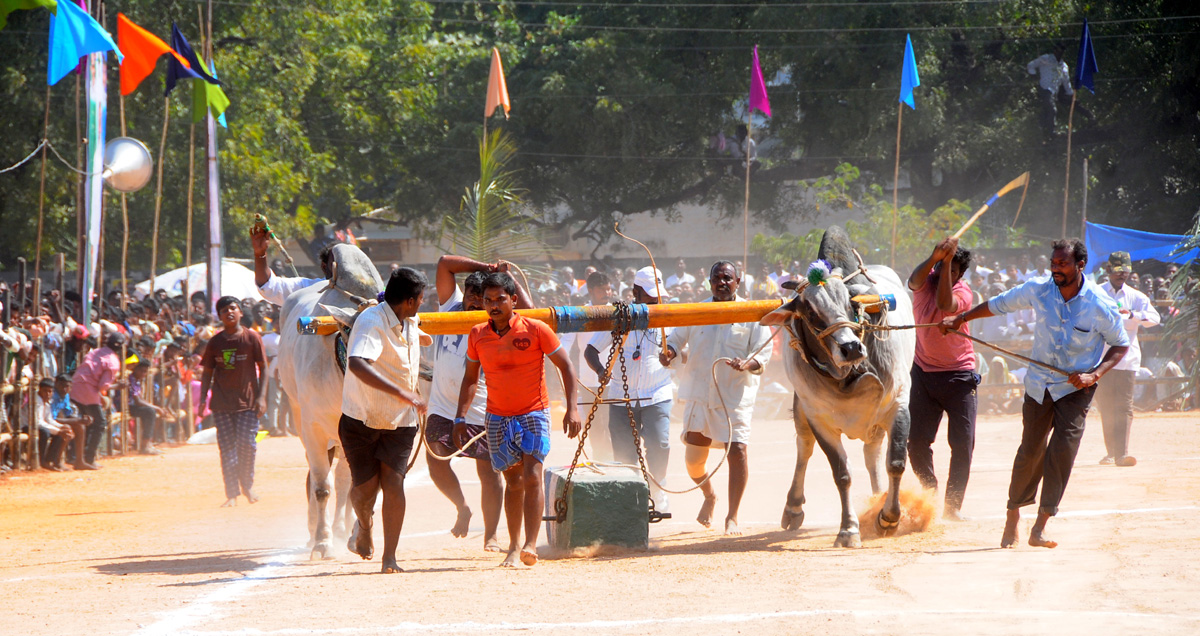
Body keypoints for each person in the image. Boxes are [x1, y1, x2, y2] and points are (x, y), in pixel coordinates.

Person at [941, 239, 1128, 548]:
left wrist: (1094, 374)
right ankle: (1013, 515)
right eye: (1053, 263)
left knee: (1062, 452)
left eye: (1063, 264)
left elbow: (1120, 344)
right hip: (1039, 385)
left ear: (1081, 265)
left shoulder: (1098, 304)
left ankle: (1040, 526)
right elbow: (999, 304)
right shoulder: (1039, 289)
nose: (1056, 269)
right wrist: (961, 319)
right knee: (1031, 452)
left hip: (1076, 388)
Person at [455, 272, 582, 567]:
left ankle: (529, 544)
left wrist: (572, 408)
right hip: (497, 416)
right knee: (512, 481)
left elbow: (566, 366)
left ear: (513, 300)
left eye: (501, 299)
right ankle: (512, 546)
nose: (494, 305)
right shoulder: (477, 335)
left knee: (532, 476)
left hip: (534, 413)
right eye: (488, 300)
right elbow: (471, 379)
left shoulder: (536, 329)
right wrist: (460, 416)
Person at [660, 261, 772, 535]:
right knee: (693, 460)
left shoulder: (750, 313)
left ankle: (732, 516)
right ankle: (710, 496)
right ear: (709, 283)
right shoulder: (697, 311)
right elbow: (675, 339)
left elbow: (763, 352)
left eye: (727, 278)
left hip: (734, 396)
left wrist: (748, 363)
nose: (721, 282)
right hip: (700, 392)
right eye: (716, 278)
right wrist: (670, 352)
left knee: (738, 451)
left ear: (737, 282)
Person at [425, 255, 529, 551]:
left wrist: (507, 277)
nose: (475, 303)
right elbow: (444, 263)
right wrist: (487, 268)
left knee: (489, 472)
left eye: (481, 299)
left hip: (483, 408)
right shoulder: (449, 309)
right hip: (443, 407)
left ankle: (491, 536)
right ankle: (462, 507)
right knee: (435, 459)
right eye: (472, 296)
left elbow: (531, 313)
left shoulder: (497, 322)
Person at [340, 268, 430, 574]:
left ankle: (389, 557)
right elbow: (357, 363)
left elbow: (417, 339)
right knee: (364, 492)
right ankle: (364, 526)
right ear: (409, 300)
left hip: (401, 421)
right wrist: (405, 393)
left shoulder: (411, 320)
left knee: (394, 484)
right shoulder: (370, 321)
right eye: (420, 299)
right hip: (362, 419)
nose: (422, 304)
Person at [585, 266, 675, 512]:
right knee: (625, 453)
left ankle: (658, 489)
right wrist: (602, 372)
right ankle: (632, 498)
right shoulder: (620, 317)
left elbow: (680, 350)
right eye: (649, 295)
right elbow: (590, 350)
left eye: (658, 295)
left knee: (660, 444)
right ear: (636, 291)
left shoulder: (669, 316)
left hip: (657, 393)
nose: (655, 300)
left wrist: (674, 355)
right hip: (620, 396)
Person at [906, 237, 979, 520]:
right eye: (941, 268)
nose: (945, 274)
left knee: (963, 443)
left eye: (953, 271)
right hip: (923, 373)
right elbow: (913, 280)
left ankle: (953, 506)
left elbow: (946, 304)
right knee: (916, 443)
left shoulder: (964, 293)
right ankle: (930, 494)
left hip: (960, 375)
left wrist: (947, 261)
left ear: (960, 275)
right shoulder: (925, 283)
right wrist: (935, 257)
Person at [200, 297, 269, 508]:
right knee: (227, 448)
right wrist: (203, 399)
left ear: (239, 312)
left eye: (233, 308)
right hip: (221, 404)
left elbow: (264, 368)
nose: (229, 312)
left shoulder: (252, 338)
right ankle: (232, 494)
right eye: (224, 310)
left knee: (247, 445)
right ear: (219, 316)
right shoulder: (215, 342)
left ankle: (247, 485)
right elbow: (207, 373)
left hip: (248, 403)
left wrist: (261, 396)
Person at [1097, 252, 1161, 467]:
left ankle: (1121, 454)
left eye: (1124, 273)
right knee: (1106, 406)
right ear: (1108, 271)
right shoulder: (1096, 293)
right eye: (1117, 272)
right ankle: (1110, 452)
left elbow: (1154, 319)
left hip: (1127, 359)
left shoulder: (1137, 297)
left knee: (1123, 406)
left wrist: (1132, 314)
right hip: (1102, 360)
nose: (1121, 276)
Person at [69, 331, 126, 470]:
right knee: (100, 423)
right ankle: (89, 458)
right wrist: (118, 385)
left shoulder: (95, 352)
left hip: (75, 386)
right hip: (89, 391)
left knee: (83, 421)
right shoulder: (113, 361)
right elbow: (103, 386)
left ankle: (75, 456)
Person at [250, 224, 332, 306]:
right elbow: (269, 286)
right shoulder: (310, 289)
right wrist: (260, 254)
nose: (343, 268)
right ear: (325, 267)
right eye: (336, 263)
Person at [128, 360, 168, 455]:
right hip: (127, 406)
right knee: (150, 412)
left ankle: (148, 443)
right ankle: (145, 446)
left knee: (150, 412)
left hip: (133, 406)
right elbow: (138, 401)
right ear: (135, 368)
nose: (143, 373)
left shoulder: (137, 380)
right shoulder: (131, 379)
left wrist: (157, 407)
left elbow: (140, 399)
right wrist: (157, 408)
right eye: (141, 371)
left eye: (145, 371)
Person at [35, 378, 74, 471]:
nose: (47, 394)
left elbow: (49, 419)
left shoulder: (47, 402)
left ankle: (51, 461)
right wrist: (58, 431)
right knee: (45, 432)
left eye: (50, 391)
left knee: (63, 432)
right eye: (45, 391)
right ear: (39, 390)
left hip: (41, 426)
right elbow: (38, 422)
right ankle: (42, 461)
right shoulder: (36, 402)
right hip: (29, 427)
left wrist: (62, 427)